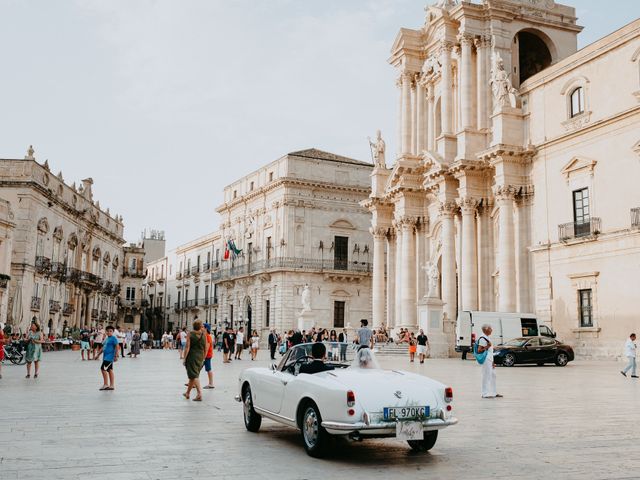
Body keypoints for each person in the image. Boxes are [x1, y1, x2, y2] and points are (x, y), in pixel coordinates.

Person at [476, 324, 503, 398]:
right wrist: (487, 346)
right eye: (490, 328)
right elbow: (479, 350)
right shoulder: (482, 338)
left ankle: (494, 392)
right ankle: (485, 393)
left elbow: (490, 351)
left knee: (493, 375)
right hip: (486, 359)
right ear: (486, 329)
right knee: (486, 376)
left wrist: (493, 362)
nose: (492, 330)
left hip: (490, 359)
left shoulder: (487, 337)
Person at [183, 320, 206, 401]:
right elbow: (205, 347)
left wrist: (184, 357)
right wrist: (204, 358)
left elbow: (187, 347)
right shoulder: (203, 334)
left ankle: (199, 394)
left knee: (194, 375)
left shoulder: (190, 334)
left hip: (192, 356)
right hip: (200, 356)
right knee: (193, 375)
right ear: (200, 326)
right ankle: (187, 393)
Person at [96, 325, 118, 390]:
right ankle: (111, 385)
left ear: (113, 332)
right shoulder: (106, 339)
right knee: (109, 370)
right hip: (105, 356)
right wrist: (98, 355)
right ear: (106, 332)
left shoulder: (113, 338)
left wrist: (116, 355)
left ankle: (106, 384)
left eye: (110, 331)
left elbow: (117, 346)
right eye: (107, 331)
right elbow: (103, 348)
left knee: (103, 369)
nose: (109, 332)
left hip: (110, 357)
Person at [203, 324, 215, 389]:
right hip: (205, 355)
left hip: (207, 356)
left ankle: (211, 383)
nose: (201, 328)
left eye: (202, 327)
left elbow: (206, 348)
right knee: (197, 369)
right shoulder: (205, 336)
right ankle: (193, 382)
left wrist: (203, 357)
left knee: (208, 369)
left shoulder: (208, 336)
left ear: (206, 329)